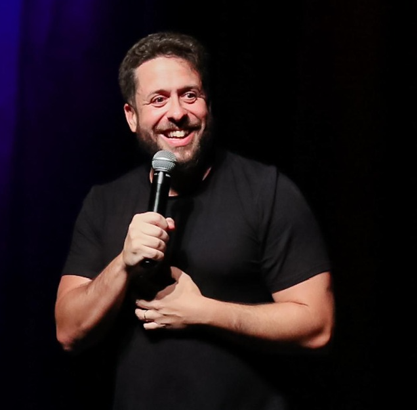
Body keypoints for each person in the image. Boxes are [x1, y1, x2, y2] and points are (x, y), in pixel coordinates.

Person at [55, 31, 335, 410]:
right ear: (132, 116)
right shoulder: (104, 202)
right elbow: (68, 332)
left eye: (189, 95)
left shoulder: (266, 191)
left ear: (208, 104)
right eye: (158, 99)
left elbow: (318, 326)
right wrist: (123, 263)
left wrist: (204, 313)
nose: (177, 113)